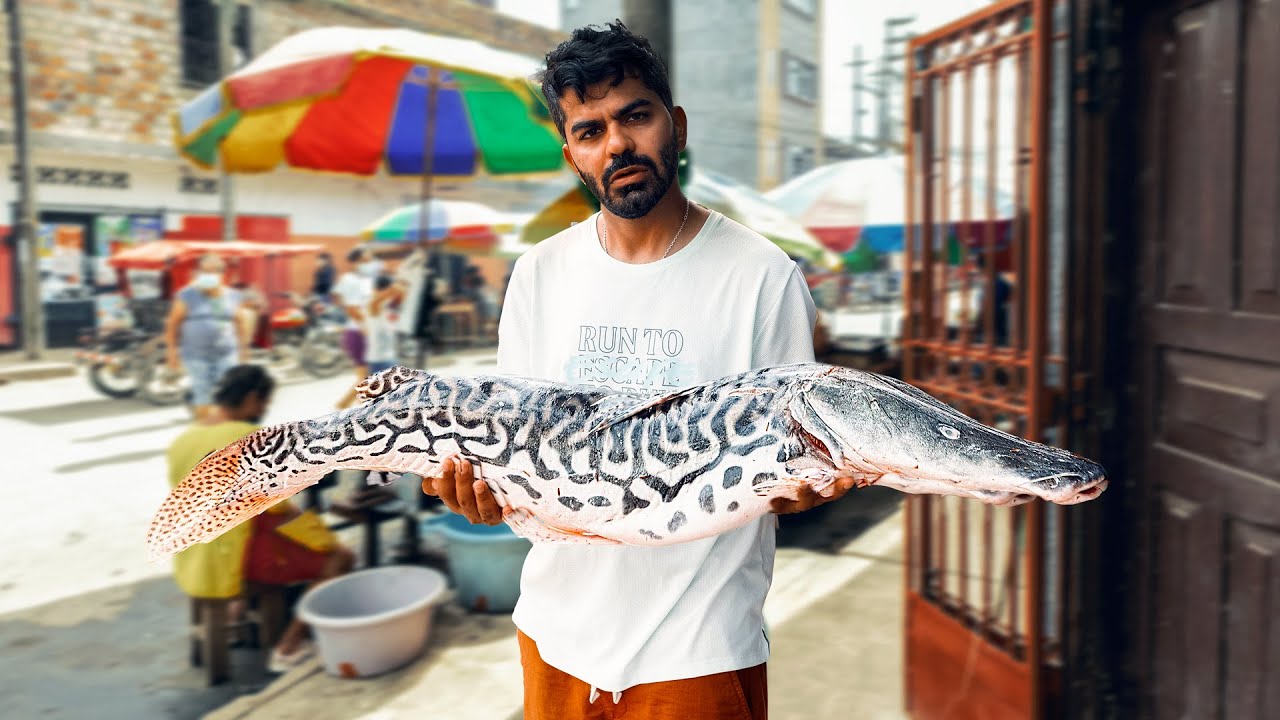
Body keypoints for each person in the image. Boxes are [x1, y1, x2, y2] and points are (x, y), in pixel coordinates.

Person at [422, 22, 857, 720]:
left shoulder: (763, 276)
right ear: (571, 154)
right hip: (556, 637)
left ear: (674, 123)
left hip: (701, 650)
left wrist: (810, 484)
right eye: (590, 131)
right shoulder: (538, 273)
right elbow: (513, 448)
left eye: (635, 115)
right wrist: (480, 491)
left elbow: (798, 452)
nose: (617, 143)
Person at [166, 364, 356, 673]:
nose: (265, 409)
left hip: (194, 554)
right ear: (253, 398)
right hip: (234, 557)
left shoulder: (184, 439)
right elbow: (281, 510)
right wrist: (329, 542)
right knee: (339, 559)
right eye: (265, 402)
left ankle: (235, 610)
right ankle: (288, 647)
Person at [164, 253, 248, 421]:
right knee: (202, 395)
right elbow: (173, 323)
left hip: (226, 354)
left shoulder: (232, 295)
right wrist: (172, 352)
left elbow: (240, 323)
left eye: (215, 270)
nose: (210, 274)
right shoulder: (186, 295)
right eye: (205, 270)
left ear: (223, 273)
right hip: (196, 356)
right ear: (198, 272)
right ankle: (204, 433)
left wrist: (244, 351)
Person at [333, 246, 379, 409]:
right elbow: (352, 308)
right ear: (354, 263)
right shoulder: (349, 280)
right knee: (365, 376)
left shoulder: (365, 281)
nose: (369, 263)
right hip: (357, 333)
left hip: (363, 331)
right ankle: (343, 408)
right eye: (364, 260)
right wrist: (366, 328)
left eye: (369, 260)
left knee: (368, 376)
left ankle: (350, 408)